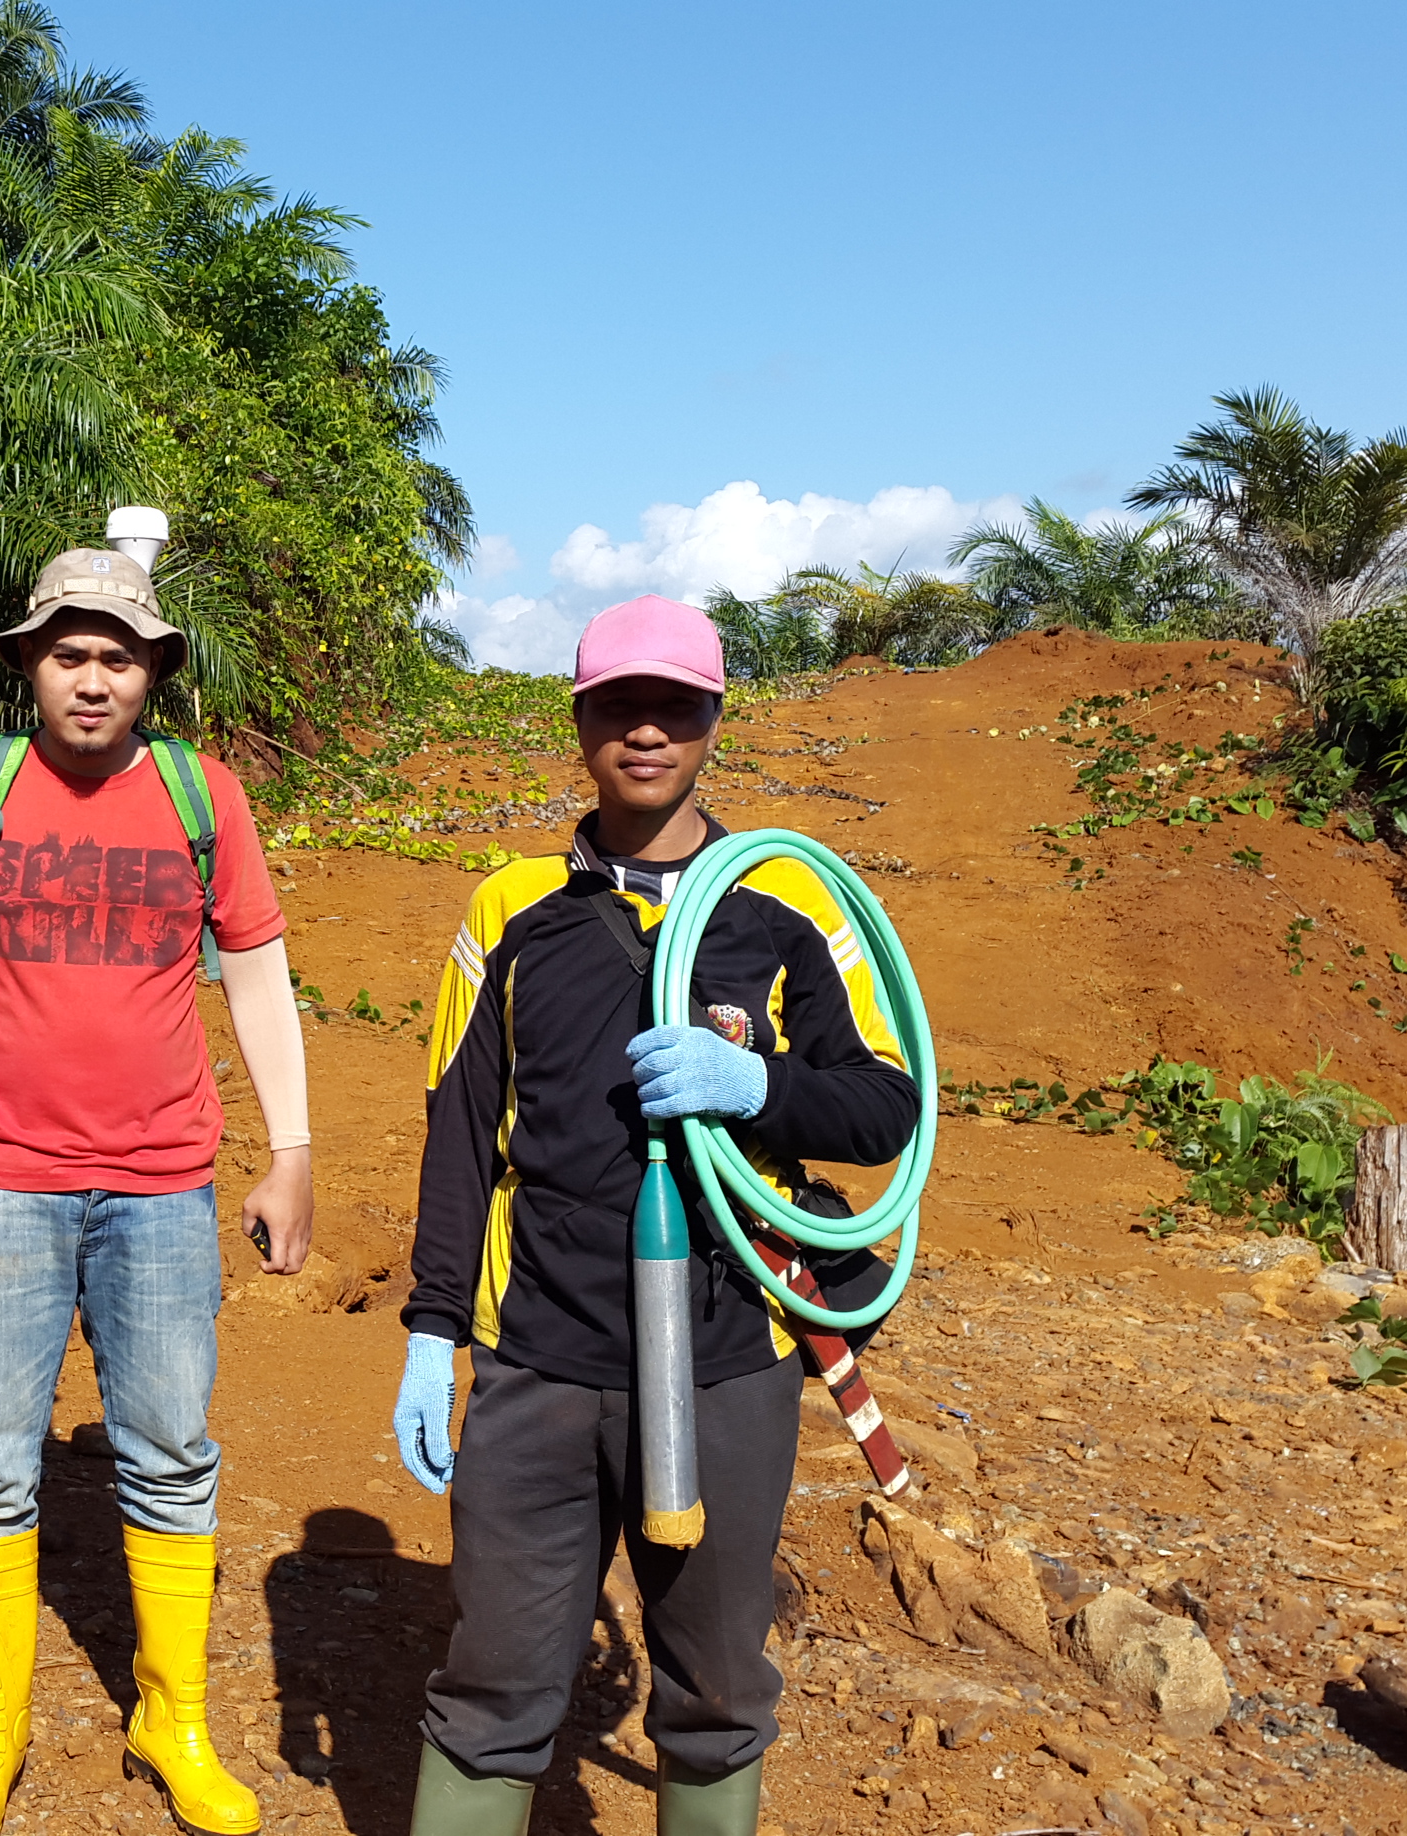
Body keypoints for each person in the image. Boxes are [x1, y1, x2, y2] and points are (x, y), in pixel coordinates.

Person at [389, 595, 919, 1836]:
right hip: (541, 1355)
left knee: (718, 1685)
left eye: (673, 707)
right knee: (494, 1681)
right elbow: (459, 1134)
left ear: (713, 721)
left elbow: (885, 1107)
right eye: (618, 706)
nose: (645, 732)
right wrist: (432, 1328)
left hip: (731, 1351)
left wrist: (760, 1087)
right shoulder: (510, 910)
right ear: (580, 722)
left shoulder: (786, 903)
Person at [0, 546, 317, 1836]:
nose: (93, 680)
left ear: (153, 671)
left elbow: (259, 976)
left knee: (170, 1451)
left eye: (117, 656)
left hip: (161, 1184)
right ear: (30, 666)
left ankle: (174, 1715)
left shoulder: (204, 797)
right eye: (69, 655)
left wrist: (291, 1150)